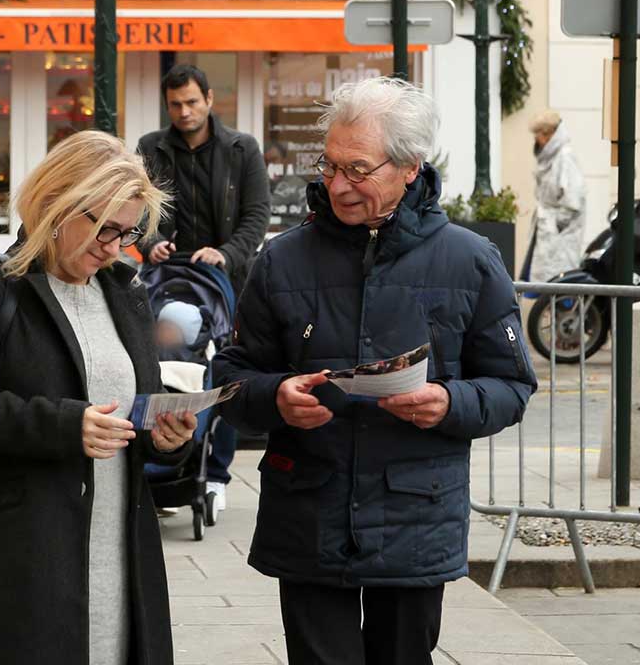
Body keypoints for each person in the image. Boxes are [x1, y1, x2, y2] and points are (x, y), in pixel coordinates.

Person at [213, 77, 537, 665]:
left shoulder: (469, 259)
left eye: (358, 170)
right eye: (329, 166)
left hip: (415, 514)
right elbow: (231, 374)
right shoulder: (282, 258)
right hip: (309, 510)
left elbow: (511, 385)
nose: (337, 186)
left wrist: (450, 401)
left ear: (410, 167)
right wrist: (274, 396)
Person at [0, 131, 197, 664]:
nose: (114, 245)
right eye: (105, 227)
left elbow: (138, 408)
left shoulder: (126, 292)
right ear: (56, 202)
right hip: (18, 561)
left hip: (120, 558)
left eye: (128, 231)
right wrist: (65, 426)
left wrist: (168, 438)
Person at [136, 63, 271, 510]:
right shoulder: (151, 148)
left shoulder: (241, 149)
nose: (184, 111)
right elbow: (140, 211)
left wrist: (227, 254)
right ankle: (164, 461)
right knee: (164, 366)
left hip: (224, 283)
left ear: (210, 100)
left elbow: (256, 216)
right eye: (175, 104)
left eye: (192, 102)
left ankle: (215, 471)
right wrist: (151, 243)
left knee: (223, 371)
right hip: (167, 281)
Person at [522, 109, 585, 283]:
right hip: (550, 230)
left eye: (538, 134)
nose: (536, 139)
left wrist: (557, 224)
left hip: (559, 234)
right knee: (546, 279)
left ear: (549, 134)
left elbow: (573, 198)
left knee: (558, 280)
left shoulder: (564, 157)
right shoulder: (552, 158)